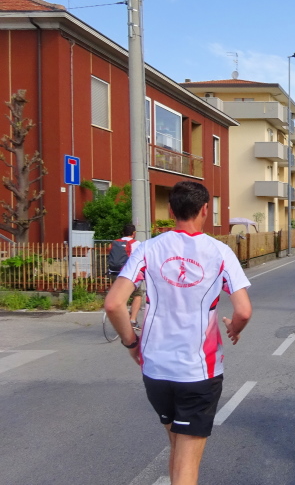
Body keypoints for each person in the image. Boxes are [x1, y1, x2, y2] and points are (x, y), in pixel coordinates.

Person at [104, 181, 252, 485]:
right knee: (187, 462)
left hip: (156, 369)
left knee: (176, 447)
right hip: (199, 371)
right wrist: (234, 328)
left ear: (171, 211)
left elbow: (114, 304)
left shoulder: (148, 248)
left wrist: (131, 343)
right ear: (205, 210)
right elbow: (243, 311)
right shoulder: (220, 252)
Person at [107, 223, 142, 328]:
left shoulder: (114, 243)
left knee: (121, 296)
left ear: (123, 232)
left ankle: (121, 320)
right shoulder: (136, 243)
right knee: (137, 295)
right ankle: (132, 320)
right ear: (134, 233)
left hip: (114, 272)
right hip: (128, 274)